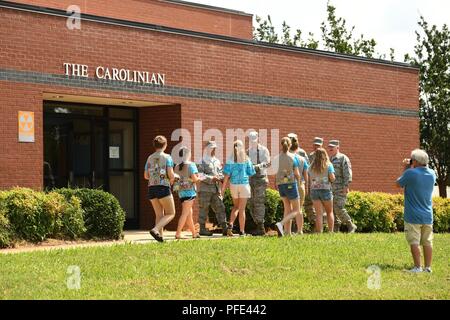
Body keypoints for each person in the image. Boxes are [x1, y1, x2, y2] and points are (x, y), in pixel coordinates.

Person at [397, 149, 436, 273]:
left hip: (413, 215)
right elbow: (423, 171)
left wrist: (406, 167)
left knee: (414, 241)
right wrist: (412, 165)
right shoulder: (432, 173)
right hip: (427, 214)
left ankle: (417, 267)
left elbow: (399, 183)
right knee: (427, 241)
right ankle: (428, 267)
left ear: (415, 161)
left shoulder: (410, 173)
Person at [144, 135, 176, 242]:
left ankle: (160, 238)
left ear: (154, 145)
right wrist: (175, 177)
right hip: (163, 187)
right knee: (171, 213)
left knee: (159, 214)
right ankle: (156, 229)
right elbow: (171, 174)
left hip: (151, 188)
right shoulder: (167, 157)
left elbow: (146, 176)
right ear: (165, 145)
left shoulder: (149, 157)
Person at [221, 140, 256, 236]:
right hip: (244, 185)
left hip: (233, 185)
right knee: (242, 209)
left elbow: (226, 176)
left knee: (235, 207)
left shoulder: (230, 160)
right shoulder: (247, 159)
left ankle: (230, 225)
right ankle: (242, 231)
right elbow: (251, 173)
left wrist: (223, 189)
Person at [197, 141, 232, 237]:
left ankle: (225, 228)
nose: (214, 150)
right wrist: (211, 178)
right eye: (212, 148)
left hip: (216, 189)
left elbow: (221, 172)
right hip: (205, 189)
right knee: (203, 209)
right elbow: (199, 175)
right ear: (207, 148)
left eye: (215, 148)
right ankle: (202, 229)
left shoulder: (216, 160)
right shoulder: (201, 160)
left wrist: (220, 177)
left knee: (220, 207)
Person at [274, 137, 302, 237]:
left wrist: (276, 183)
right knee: (296, 210)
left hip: (281, 185)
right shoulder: (293, 157)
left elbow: (275, 173)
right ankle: (280, 224)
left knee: (287, 209)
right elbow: (297, 173)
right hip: (291, 184)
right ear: (290, 145)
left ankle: (287, 232)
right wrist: (299, 183)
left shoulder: (276, 158)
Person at [328, 140, 357, 233]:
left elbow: (347, 173)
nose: (330, 148)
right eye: (329, 147)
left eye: (332, 147)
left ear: (338, 147)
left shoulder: (343, 158)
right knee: (332, 208)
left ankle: (351, 225)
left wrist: (346, 186)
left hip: (340, 188)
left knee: (339, 207)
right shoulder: (329, 159)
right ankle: (336, 228)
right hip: (330, 188)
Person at [173, 147, 200, 240]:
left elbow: (175, 180)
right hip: (190, 192)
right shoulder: (191, 165)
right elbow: (195, 179)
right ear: (188, 154)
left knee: (189, 214)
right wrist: (200, 177)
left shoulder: (176, 166)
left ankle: (194, 233)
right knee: (185, 213)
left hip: (181, 193)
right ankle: (178, 234)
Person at [247, 131, 271, 236]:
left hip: (260, 179)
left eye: (254, 139)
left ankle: (260, 227)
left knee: (259, 203)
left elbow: (267, 163)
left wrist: (257, 166)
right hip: (250, 179)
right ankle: (256, 224)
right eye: (251, 140)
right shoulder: (247, 151)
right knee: (250, 203)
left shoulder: (263, 150)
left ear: (258, 138)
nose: (253, 142)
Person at [308, 148, 336, 233]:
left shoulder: (311, 166)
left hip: (314, 190)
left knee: (319, 214)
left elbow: (310, 178)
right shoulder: (328, 165)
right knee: (329, 212)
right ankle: (331, 231)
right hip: (326, 190)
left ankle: (319, 232)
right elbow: (332, 178)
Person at [287, 134, 309, 235]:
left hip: (289, 184)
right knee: (299, 208)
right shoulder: (302, 158)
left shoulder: (286, 157)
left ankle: (288, 231)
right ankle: (300, 230)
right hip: (301, 184)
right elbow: (306, 173)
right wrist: (307, 186)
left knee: (289, 208)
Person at [303, 137, 324, 225]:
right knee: (308, 203)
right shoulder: (309, 156)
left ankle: (322, 224)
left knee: (320, 204)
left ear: (322, 145)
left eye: (318, 145)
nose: (316, 147)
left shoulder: (324, 156)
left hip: (320, 184)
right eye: (315, 145)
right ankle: (314, 222)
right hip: (310, 183)